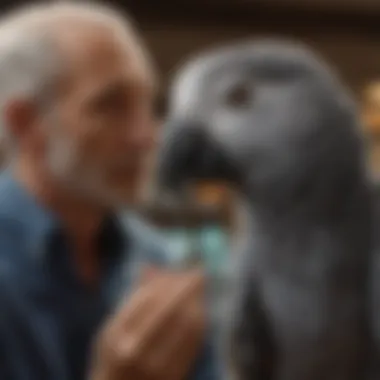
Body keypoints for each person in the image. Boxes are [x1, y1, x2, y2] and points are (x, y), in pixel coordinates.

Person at [0, 2, 218, 380]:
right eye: (110, 107)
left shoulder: (156, 259)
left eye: (148, 105)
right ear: (26, 122)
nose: (146, 137)